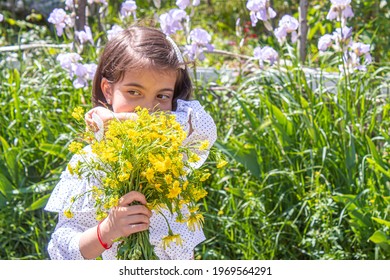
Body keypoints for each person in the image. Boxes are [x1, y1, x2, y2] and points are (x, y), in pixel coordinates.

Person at [45, 25, 217, 260]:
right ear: (108, 90)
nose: (148, 108)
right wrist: (107, 231)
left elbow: (202, 124)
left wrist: (117, 119)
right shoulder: (92, 159)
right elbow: (62, 250)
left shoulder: (174, 150)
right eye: (134, 92)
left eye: (162, 96)